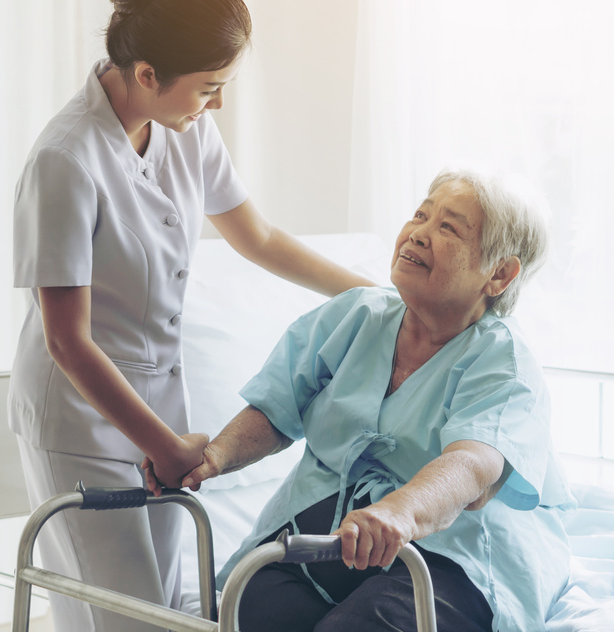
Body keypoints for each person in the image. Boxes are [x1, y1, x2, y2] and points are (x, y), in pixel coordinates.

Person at [9, 0, 374, 632]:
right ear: (147, 74)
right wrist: (167, 446)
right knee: (126, 618)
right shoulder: (66, 159)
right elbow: (67, 340)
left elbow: (260, 240)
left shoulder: (186, 130)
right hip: (82, 419)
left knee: (168, 609)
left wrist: (379, 296)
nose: (219, 102)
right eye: (209, 86)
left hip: (159, 410)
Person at [155, 169, 575, 632]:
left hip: (450, 552)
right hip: (332, 536)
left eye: (448, 227)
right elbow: (275, 409)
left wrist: (400, 509)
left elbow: (473, 465)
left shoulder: (503, 361)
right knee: (251, 608)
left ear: (499, 273)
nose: (418, 233)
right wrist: (212, 458)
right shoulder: (355, 315)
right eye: (420, 214)